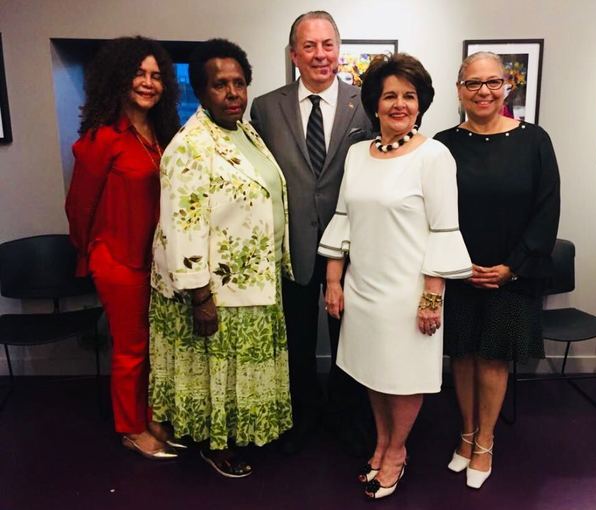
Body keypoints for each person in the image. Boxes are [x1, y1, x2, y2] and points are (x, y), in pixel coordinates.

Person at [319, 53, 472, 500]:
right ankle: (382, 442)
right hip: (363, 287)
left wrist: (431, 298)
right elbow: (343, 218)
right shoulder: (356, 155)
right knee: (371, 372)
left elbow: (444, 229)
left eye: (409, 96)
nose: (399, 104)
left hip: (409, 291)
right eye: (390, 96)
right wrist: (333, 280)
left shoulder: (434, 156)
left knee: (403, 376)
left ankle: (397, 451)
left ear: (421, 103)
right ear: (374, 104)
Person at [149, 39, 293, 478]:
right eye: (219, 85)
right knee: (217, 372)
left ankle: (236, 432)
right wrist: (199, 296)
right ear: (201, 90)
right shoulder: (191, 145)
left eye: (239, 83)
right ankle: (217, 445)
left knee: (237, 372)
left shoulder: (244, 132)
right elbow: (182, 223)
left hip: (253, 279)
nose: (232, 93)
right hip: (216, 288)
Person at [435, 51, 560, 489]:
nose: (483, 91)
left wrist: (512, 267)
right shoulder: (443, 143)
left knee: (493, 357)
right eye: (473, 83)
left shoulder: (534, 140)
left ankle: (486, 440)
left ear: (507, 85)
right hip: (461, 274)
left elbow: (547, 211)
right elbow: (432, 210)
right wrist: (453, 263)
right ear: (459, 90)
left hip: (511, 276)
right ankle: (466, 435)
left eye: (492, 82)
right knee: (463, 355)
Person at [250, 10, 373, 455]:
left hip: (353, 245)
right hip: (291, 246)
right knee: (297, 338)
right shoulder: (265, 106)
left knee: (351, 337)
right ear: (293, 54)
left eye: (327, 45)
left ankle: (346, 415)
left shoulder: (365, 104)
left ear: (339, 51)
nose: (320, 55)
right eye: (309, 46)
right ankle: (301, 415)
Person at [65, 36, 179, 460]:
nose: (148, 83)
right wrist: (94, 253)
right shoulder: (102, 138)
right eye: (139, 74)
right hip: (119, 261)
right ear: (119, 78)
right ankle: (130, 428)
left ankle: (148, 414)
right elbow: (78, 207)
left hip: (155, 264)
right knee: (130, 350)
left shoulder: (160, 134)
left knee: (152, 346)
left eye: (155, 75)